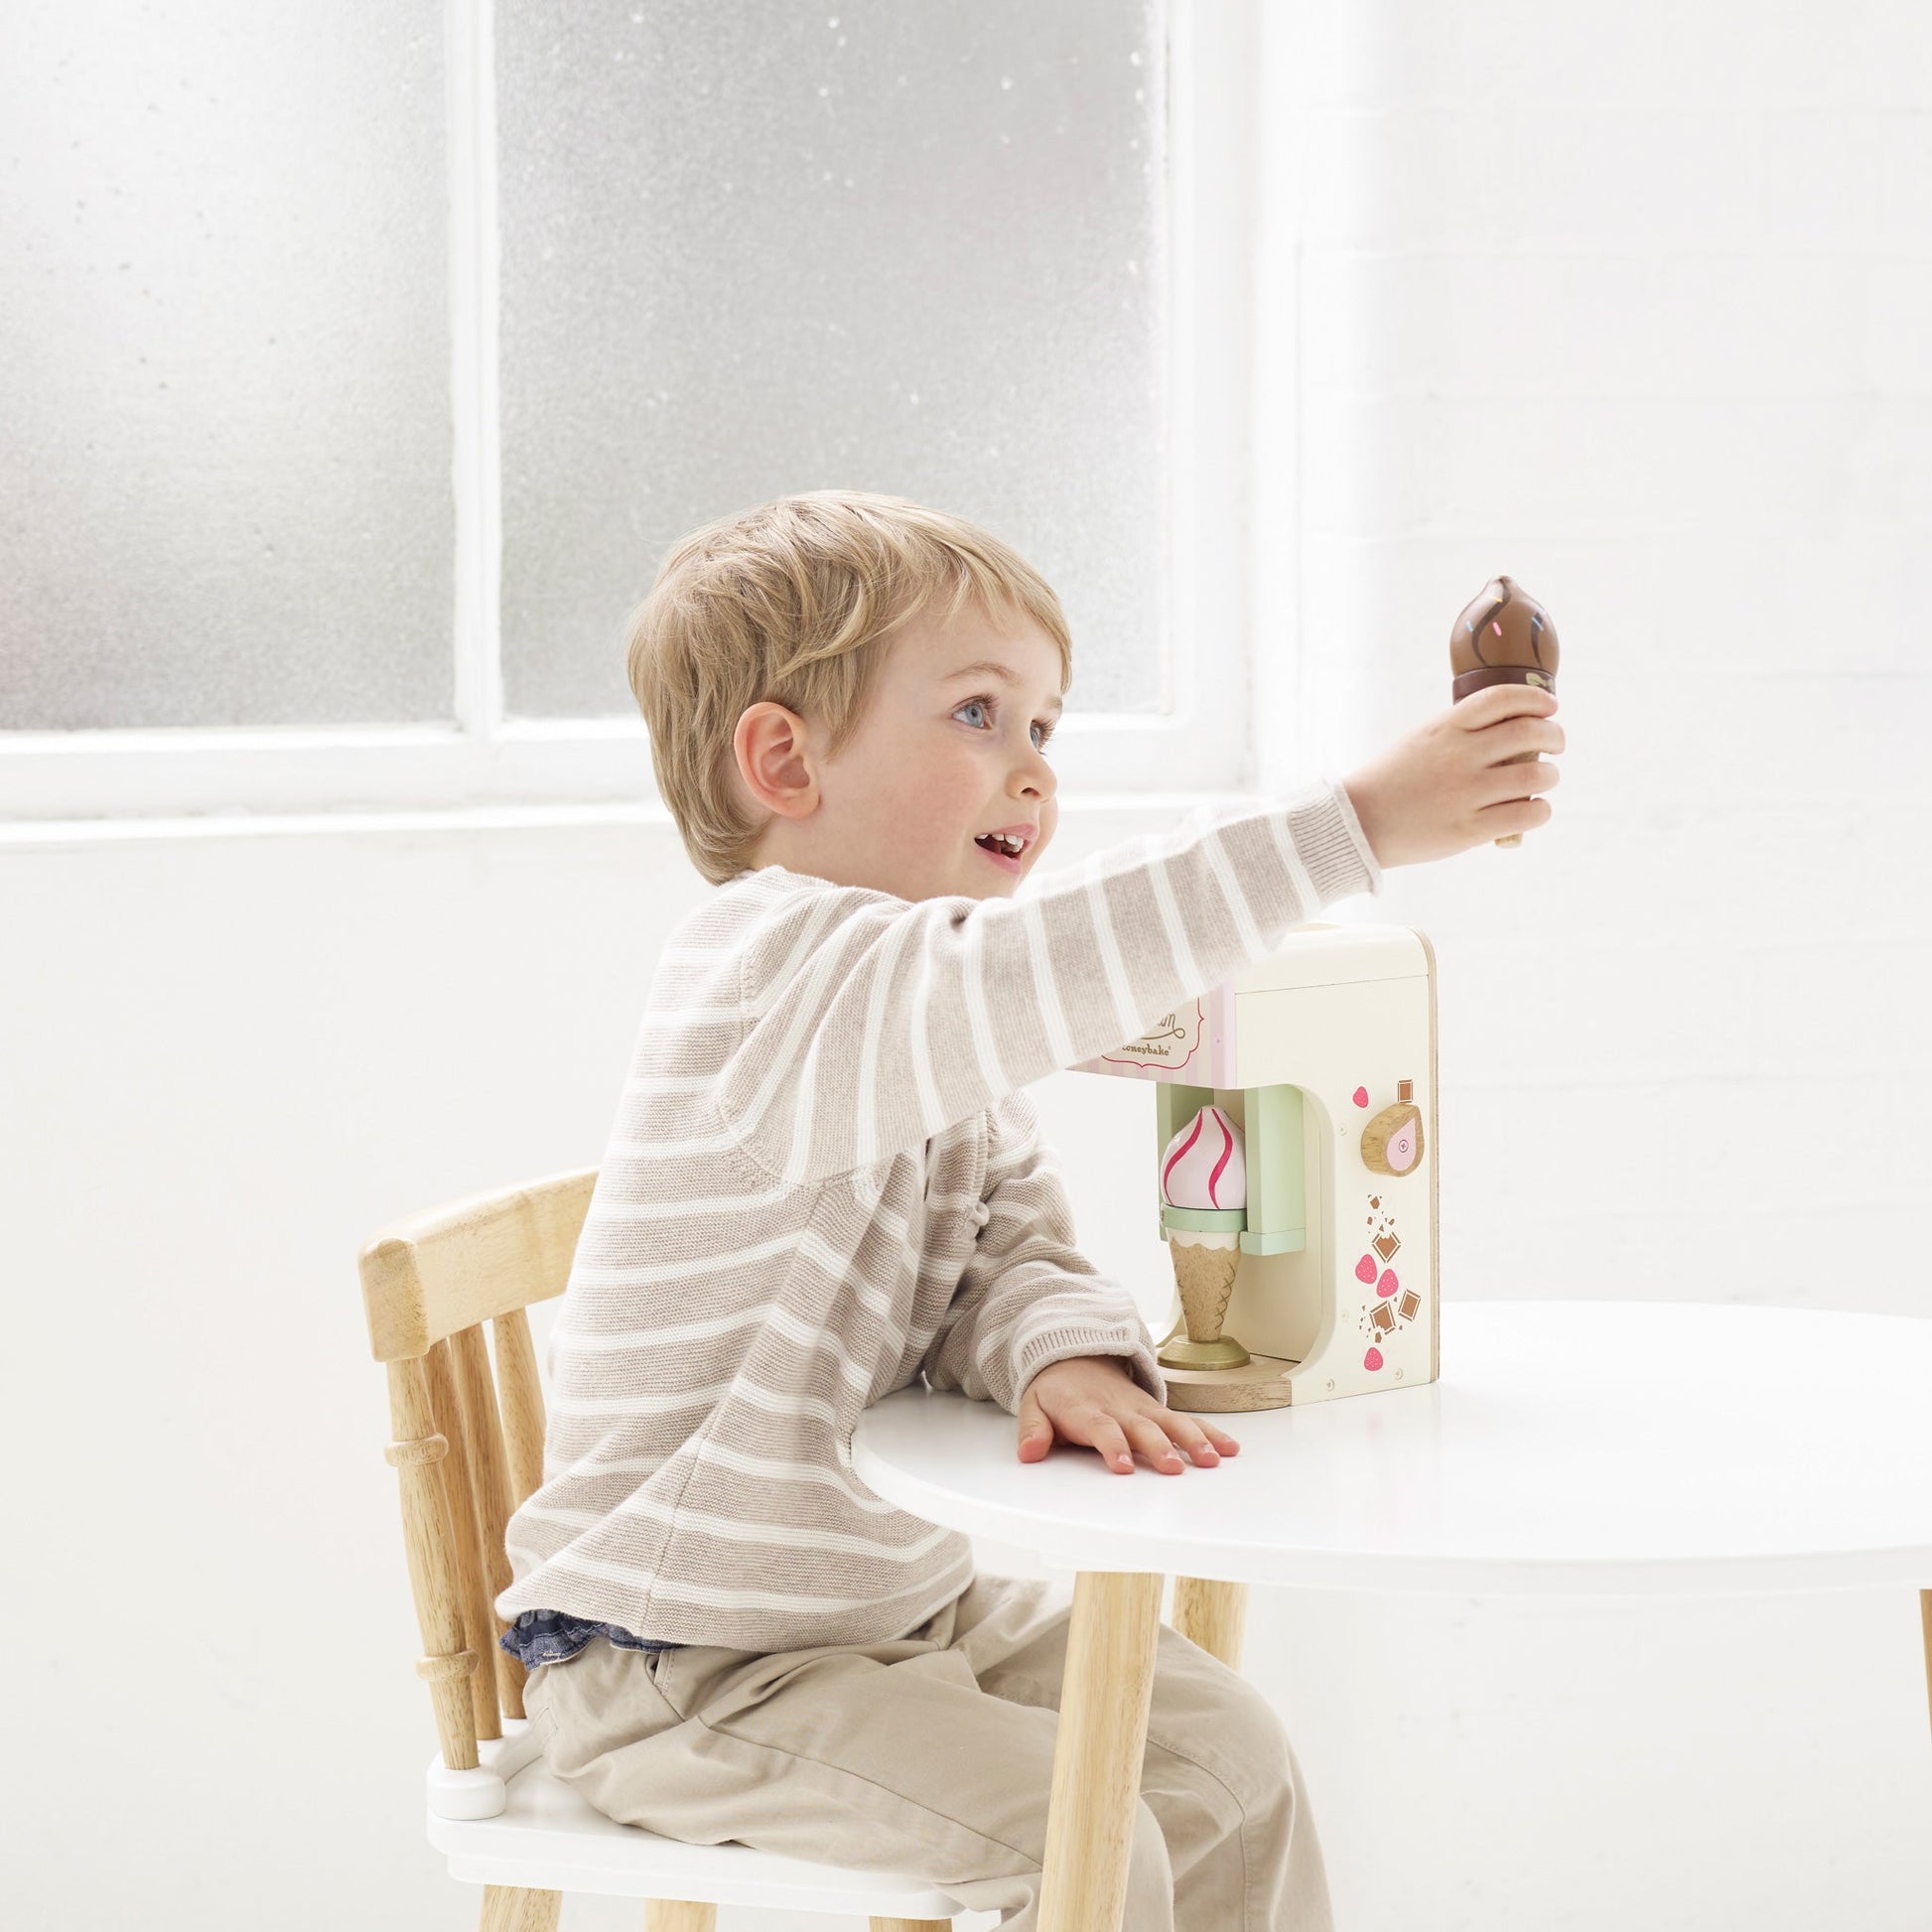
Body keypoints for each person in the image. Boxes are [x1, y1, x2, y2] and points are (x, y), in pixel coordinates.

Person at [497, 489, 1563, 1929]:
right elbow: (1051, 967)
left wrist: (1053, 1346)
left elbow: (1006, 1233)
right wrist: (1352, 825)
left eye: (1044, 730)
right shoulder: (769, 970)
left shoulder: (920, 1015)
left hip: (887, 1611)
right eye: (977, 716)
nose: (1029, 772)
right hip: (684, 1660)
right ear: (782, 759)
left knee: (1229, 1761)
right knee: (1081, 1845)